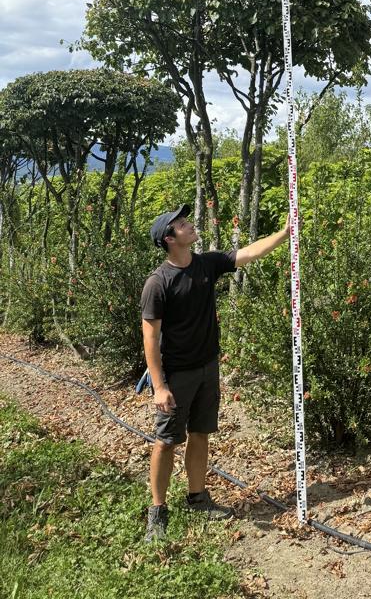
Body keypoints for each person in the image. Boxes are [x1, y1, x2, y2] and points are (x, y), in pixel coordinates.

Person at [140, 203, 289, 542]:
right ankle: (157, 512)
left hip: (208, 367)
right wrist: (159, 386)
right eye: (181, 224)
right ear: (169, 238)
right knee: (166, 442)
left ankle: (198, 497)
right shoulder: (157, 283)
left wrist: (283, 234)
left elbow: (248, 253)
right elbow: (149, 337)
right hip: (176, 375)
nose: (189, 224)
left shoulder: (206, 263)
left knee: (200, 433)